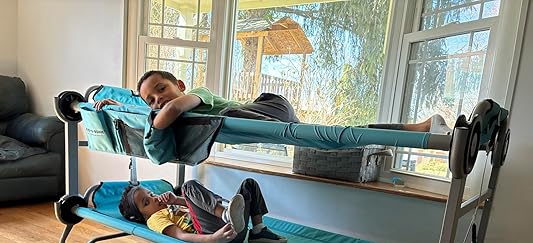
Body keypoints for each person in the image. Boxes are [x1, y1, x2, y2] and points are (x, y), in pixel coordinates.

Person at [95, 69, 451, 133]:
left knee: (228, 113)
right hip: (260, 118)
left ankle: (423, 126)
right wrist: (120, 108)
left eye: (161, 89)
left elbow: (171, 110)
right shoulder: (161, 108)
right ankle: (420, 127)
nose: (158, 99)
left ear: (179, 85)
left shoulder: (196, 94)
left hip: (266, 107)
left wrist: (138, 111)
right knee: (334, 135)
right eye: (150, 99)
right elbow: (158, 112)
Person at [118, 178, 288, 243]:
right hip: (215, 235)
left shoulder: (169, 205)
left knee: (248, 184)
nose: (154, 198)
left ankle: (258, 230)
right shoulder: (155, 219)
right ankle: (225, 214)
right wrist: (213, 239)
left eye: (151, 194)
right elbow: (180, 235)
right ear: (142, 215)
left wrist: (176, 200)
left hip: (234, 230)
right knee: (188, 186)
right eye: (146, 202)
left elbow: (196, 207)